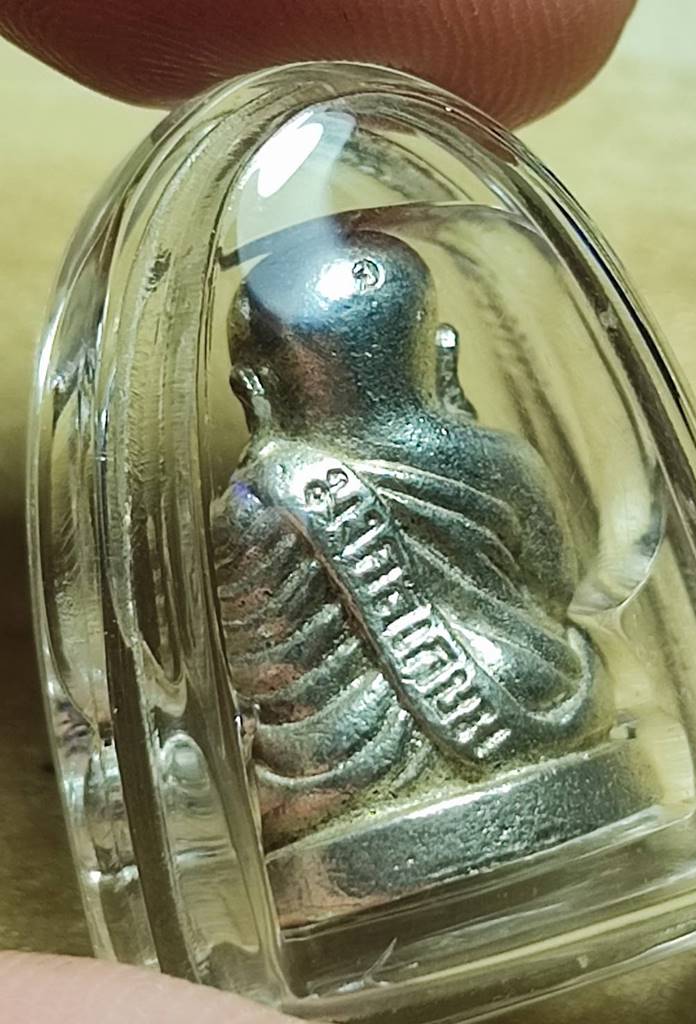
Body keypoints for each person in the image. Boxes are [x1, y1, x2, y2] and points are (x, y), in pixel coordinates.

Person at [0, 0, 635, 1019]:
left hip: (336, 772)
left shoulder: (257, 504)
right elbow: (554, 582)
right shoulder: (496, 459)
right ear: (440, 358)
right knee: (543, 661)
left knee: (290, 750)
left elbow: (258, 670)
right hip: (524, 703)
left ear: (254, 393)